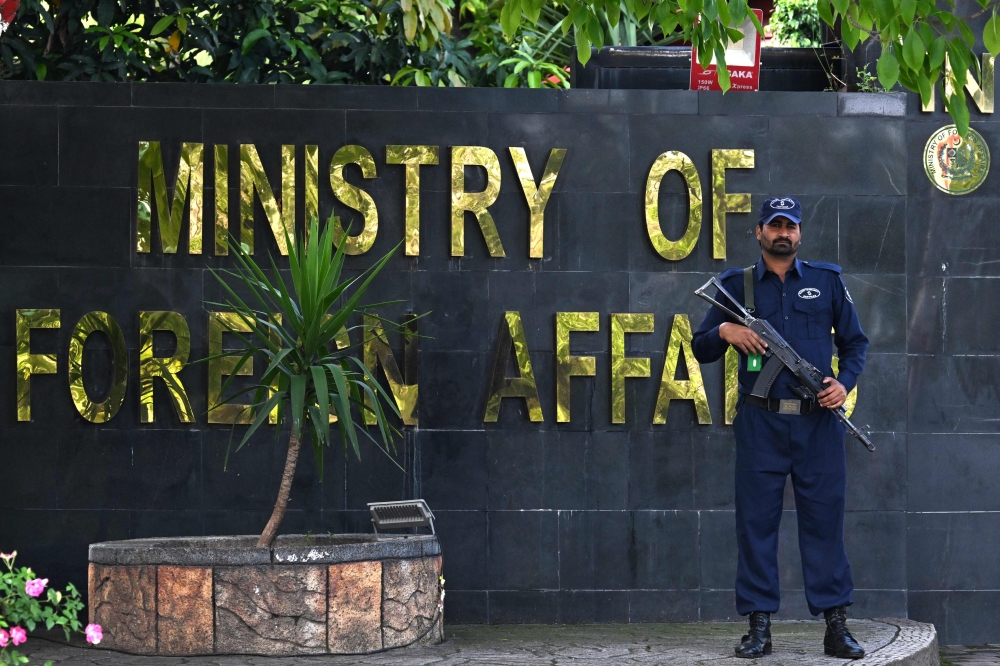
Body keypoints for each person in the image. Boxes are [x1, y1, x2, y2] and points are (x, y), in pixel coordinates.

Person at [692, 196, 869, 660]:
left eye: (790, 226)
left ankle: (836, 627)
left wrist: (842, 385)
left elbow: (855, 345)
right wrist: (725, 332)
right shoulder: (737, 287)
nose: (782, 233)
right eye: (774, 225)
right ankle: (759, 628)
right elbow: (700, 347)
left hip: (817, 424)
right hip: (760, 420)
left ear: (800, 233)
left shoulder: (827, 282)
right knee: (756, 526)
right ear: (759, 231)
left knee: (825, 523)